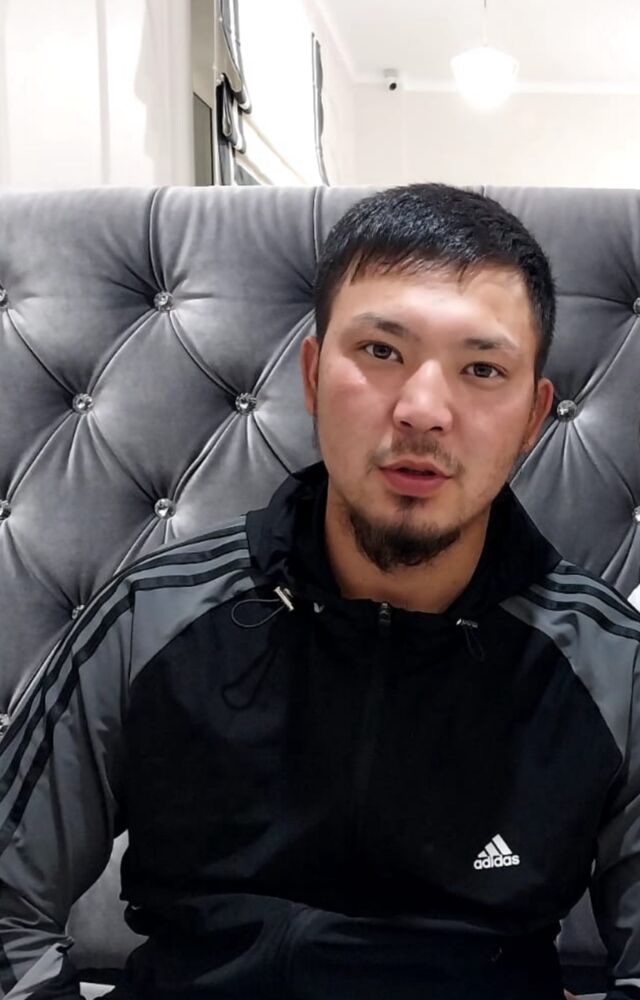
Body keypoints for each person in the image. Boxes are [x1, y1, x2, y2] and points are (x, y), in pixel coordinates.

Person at [0, 183, 638, 1000]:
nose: (422, 410)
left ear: (531, 417)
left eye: (482, 369)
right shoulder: (153, 616)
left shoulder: (611, 667)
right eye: (381, 351)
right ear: (311, 375)